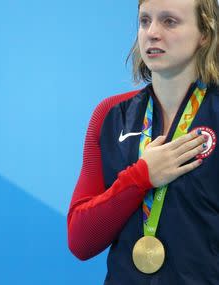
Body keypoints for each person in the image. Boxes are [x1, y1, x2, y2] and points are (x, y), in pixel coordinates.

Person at [66, 0, 219, 283]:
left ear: (205, 34)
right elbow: (80, 239)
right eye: (145, 20)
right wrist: (141, 177)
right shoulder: (110, 115)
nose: (152, 32)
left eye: (169, 21)